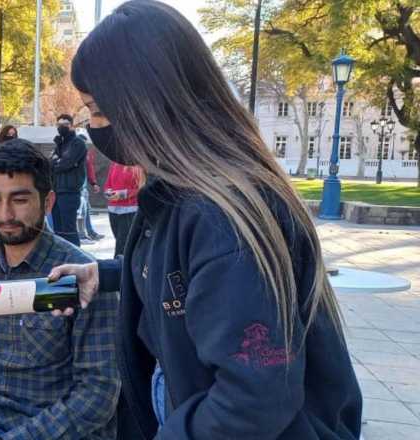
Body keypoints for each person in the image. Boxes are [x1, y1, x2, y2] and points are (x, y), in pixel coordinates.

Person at [50, 2, 362, 438]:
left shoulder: (217, 214)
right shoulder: (187, 191)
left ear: (147, 104)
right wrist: (104, 275)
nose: (96, 128)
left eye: (99, 111)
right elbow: (193, 276)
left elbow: (251, 399)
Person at [0, 139, 119, 440]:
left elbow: (97, 394)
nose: (5, 214)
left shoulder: (85, 278)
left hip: (55, 431)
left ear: (47, 202)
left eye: (19, 200)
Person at [49, 114, 88, 248]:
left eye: (65, 123)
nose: (61, 126)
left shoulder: (78, 143)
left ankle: (75, 260)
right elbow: (51, 163)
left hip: (70, 192)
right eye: (59, 124)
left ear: (72, 125)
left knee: (69, 231)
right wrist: (56, 162)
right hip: (57, 191)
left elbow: (66, 163)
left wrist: (57, 162)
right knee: (58, 231)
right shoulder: (59, 144)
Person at [104, 163, 143, 258]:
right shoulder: (114, 163)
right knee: (120, 242)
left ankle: (117, 270)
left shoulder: (138, 166)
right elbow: (107, 184)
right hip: (113, 210)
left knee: (121, 247)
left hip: (130, 210)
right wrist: (108, 192)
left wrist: (122, 194)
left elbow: (141, 188)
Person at [78, 144, 104, 242]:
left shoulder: (84, 155)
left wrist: (94, 183)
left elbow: (89, 169)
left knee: (85, 212)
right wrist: (93, 183)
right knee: (81, 213)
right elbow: (90, 169)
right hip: (79, 189)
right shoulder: (80, 155)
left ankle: (89, 233)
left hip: (82, 189)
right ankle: (83, 235)